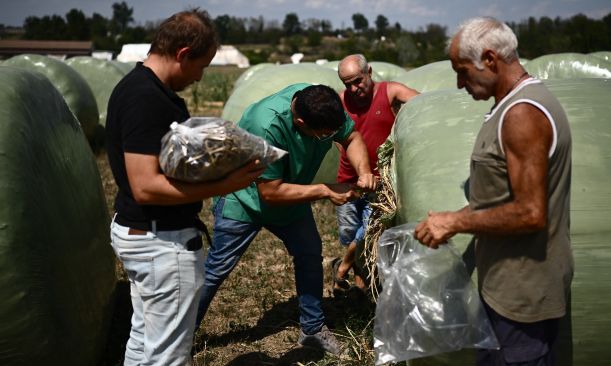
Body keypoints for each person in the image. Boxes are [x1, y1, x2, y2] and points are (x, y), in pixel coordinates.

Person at [105, 9, 265, 366]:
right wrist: (225, 184)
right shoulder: (147, 98)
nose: (199, 76)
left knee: (144, 339)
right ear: (182, 54)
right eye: (201, 65)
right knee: (168, 357)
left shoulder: (139, 87)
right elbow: (146, 186)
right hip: (161, 245)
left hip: (142, 235)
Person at [413, 17, 573, 366]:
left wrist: (455, 222)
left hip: (521, 298)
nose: (459, 83)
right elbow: (503, 196)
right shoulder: (511, 106)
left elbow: (531, 213)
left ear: (489, 59)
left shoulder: (522, 115)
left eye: (462, 71)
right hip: (508, 289)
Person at [195, 83, 376, 355]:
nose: (329, 137)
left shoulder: (321, 105)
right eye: (323, 135)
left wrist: (363, 171)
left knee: (309, 253)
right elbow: (270, 191)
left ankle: (312, 329)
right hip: (245, 200)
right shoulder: (266, 127)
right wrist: (325, 190)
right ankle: (181, 335)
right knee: (215, 270)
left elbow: (352, 138)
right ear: (300, 121)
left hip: (292, 194)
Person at [333, 54, 419, 292]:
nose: (353, 88)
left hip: (381, 183)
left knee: (369, 231)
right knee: (350, 234)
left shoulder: (391, 92)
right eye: (347, 84)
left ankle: (342, 267)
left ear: (369, 72)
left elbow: (424, 106)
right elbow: (335, 135)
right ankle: (362, 292)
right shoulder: (341, 101)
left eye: (357, 81)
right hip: (348, 180)